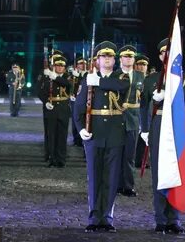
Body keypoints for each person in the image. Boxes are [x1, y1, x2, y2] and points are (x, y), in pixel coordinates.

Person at [141, 38, 185, 235]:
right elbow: (143, 105)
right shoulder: (151, 78)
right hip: (158, 126)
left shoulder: (184, 76)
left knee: (177, 175)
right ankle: (161, 219)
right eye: (164, 52)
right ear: (160, 56)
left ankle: (174, 219)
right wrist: (144, 129)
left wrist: (170, 92)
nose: (167, 55)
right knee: (159, 175)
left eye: (170, 52)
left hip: (178, 128)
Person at [73, 41, 130, 233]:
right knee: (95, 177)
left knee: (111, 178)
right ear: (97, 60)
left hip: (115, 135)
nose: (107, 59)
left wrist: (98, 82)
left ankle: (107, 217)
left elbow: (121, 86)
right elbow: (78, 109)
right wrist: (81, 129)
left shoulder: (120, 77)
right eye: (103, 56)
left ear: (114, 60)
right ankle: (94, 217)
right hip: (94, 134)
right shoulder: (87, 81)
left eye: (110, 56)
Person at [116, 45, 145, 197]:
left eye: (131, 57)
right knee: (115, 155)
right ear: (120, 59)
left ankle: (128, 186)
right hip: (116, 120)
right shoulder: (114, 75)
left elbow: (145, 100)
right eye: (126, 56)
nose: (129, 59)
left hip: (133, 120)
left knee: (129, 156)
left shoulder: (140, 76)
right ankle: (115, 185)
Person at [39, 55, 71, 167]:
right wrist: (45, 101)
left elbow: (68, 85)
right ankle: (51, 158)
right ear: (54, 66)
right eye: (57, 65)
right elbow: (40, 91)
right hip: (51, 109)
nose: (60, 68)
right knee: (51, 135)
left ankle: (61, 159)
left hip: (63, 109)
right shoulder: (47, 78)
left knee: (62, 135)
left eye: (62, 66)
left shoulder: (68, 77)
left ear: (65, 67)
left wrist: (55, 77)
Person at [134, 54, 151, 168]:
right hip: (134, 111)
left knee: (145, 137)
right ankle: (134, 159)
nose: (141, 67)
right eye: (139, 64)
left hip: (146, 111)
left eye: (144, 65)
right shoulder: (132, 77)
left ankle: (142, 160)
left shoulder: (150, 80)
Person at [69, 55, 87, 147]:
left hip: (84, 100)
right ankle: (76, 139)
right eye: (80, 63)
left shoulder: (87, 74)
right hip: (74, 99)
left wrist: (79, 75)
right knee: (75, 119)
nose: (82, 65)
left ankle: (82, 138)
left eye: (84, 63)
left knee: (84, 119)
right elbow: (68, 85)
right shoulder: (73, 74)